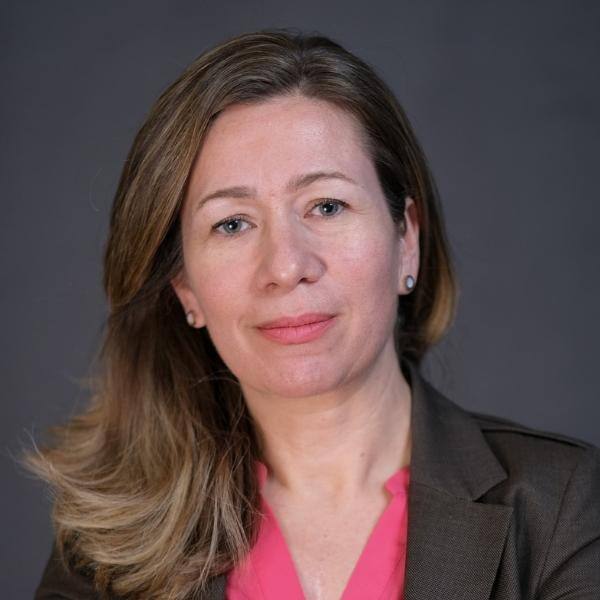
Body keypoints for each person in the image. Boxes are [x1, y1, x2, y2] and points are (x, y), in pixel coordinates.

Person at [27, 28, 599, 600]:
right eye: (232, 223)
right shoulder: (103, 545)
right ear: (185, 287)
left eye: (326, 206)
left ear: (406, 239)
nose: (286, 266)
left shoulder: (563, 507)